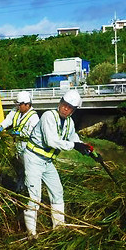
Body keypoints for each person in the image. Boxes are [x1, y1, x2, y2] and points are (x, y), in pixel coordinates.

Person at [23, 90, 91, 234]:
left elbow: (73, 138)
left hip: (47, 161)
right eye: (64, 104)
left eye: (70, 107)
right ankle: (31, 235)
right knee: (35, 197)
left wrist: (84, 147)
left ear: (73, 110)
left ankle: (59, 228)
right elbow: (51, 141)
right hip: (33, 158)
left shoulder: (68, 122)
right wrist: (74, 146)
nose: (66, 108)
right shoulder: (48, 116)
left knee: (57, 192)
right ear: (60, 103)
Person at [0, 91, 39, 191]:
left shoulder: (34, 117)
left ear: (27, 104)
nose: (18, 106)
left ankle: (28, 189)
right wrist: (1, 127)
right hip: (18, 144)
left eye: (20, 104)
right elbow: (9, 119)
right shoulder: (16, 111)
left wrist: (19, 133)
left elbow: (33, 133)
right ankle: (20, 186)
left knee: (28, 169)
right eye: (18, 104)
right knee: (20, 168)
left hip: (28, 146)